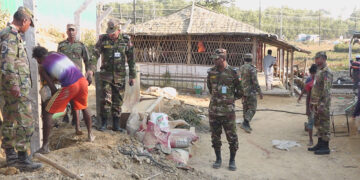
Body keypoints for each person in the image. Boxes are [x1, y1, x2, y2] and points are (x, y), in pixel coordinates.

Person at [0, 6, 42, 171]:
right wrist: (14, 84)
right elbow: (7, 61)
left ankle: (11, 157)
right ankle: (23, 159)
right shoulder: (10, 35)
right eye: (28, 24)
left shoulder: (7, 34)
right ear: (24, 20)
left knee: (9, 120)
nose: (28, 28)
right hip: (15, 88)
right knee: (26, 122)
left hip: (8, 87)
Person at [32, 46, 95, 154]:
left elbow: (52, 88)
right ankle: (90, 135)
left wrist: (54, 95)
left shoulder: (42, 66)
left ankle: (45, 147)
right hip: (82, 81)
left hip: (71, 85)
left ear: (38, 59)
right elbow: (76, 67)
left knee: (47, 112)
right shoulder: (59, 55)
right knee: (84, 107)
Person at [93, 20, 136, 132]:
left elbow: (131, 59)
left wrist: (132, 75)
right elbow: (95, 54)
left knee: (118, 100)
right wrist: (91, 69)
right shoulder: (103, 39)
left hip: (120, 76)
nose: (111, 35)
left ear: (119, 30)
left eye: (113, 32)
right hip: (106, 75)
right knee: (106, 100)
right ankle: (103, 124)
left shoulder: (126, 40)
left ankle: (116, 125)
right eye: (109, 32)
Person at [207, 48, 243, 171]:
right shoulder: (211, 72)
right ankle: (218, 159)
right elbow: (210, 89)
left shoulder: (233, 73)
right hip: (214, 111)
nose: (214, 61)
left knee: (232, 137)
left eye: (216, 59)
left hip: (228, 112)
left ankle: (232, 160)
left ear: (222, 59)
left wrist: (230, 99)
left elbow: (241, 91)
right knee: (215, 137)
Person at [57, 24, 93, 132]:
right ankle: (67, 117)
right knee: (67, 97)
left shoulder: (81, 45)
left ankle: (76, 121)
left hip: (77, 77)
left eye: (73, 30)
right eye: (69, 30)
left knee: (78, 99)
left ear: (76, 32)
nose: (71, 32)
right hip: (65, 76)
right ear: (67, 32)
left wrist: (89, 73)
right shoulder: (61, 45)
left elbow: (88, 61)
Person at [308, 51, 333, 155]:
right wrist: (312, 102)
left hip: (323, 104)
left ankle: (325, 147)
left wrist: (322, 104)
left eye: (318, 58)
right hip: (316, 103)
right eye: (316, 58)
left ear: (324, 58)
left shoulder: (327, 72)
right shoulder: (319, 71)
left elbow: (326, 90)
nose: (316, 60)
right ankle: (320, 143)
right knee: (318, 124)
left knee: (324, 124)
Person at [240, 53, 263, 133]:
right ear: (251, 59)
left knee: (245, 107)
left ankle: (246, 124)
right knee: (252, 108)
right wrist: (259, 91)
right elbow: (255, 82)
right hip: (250, 91)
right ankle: (245, 122)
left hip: (243, 91)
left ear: (244, 59)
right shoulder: (252, 68)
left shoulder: (242, 67)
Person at [298, 64, 317, 146]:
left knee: (317, 122)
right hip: (312, 106)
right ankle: (310, 139)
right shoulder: (310, 83)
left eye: (314, 73)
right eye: (312, 73)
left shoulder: (321, 82)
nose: (313, 75)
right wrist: (307, 108)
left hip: (319, 106)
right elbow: (307, 96)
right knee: (311, 122)